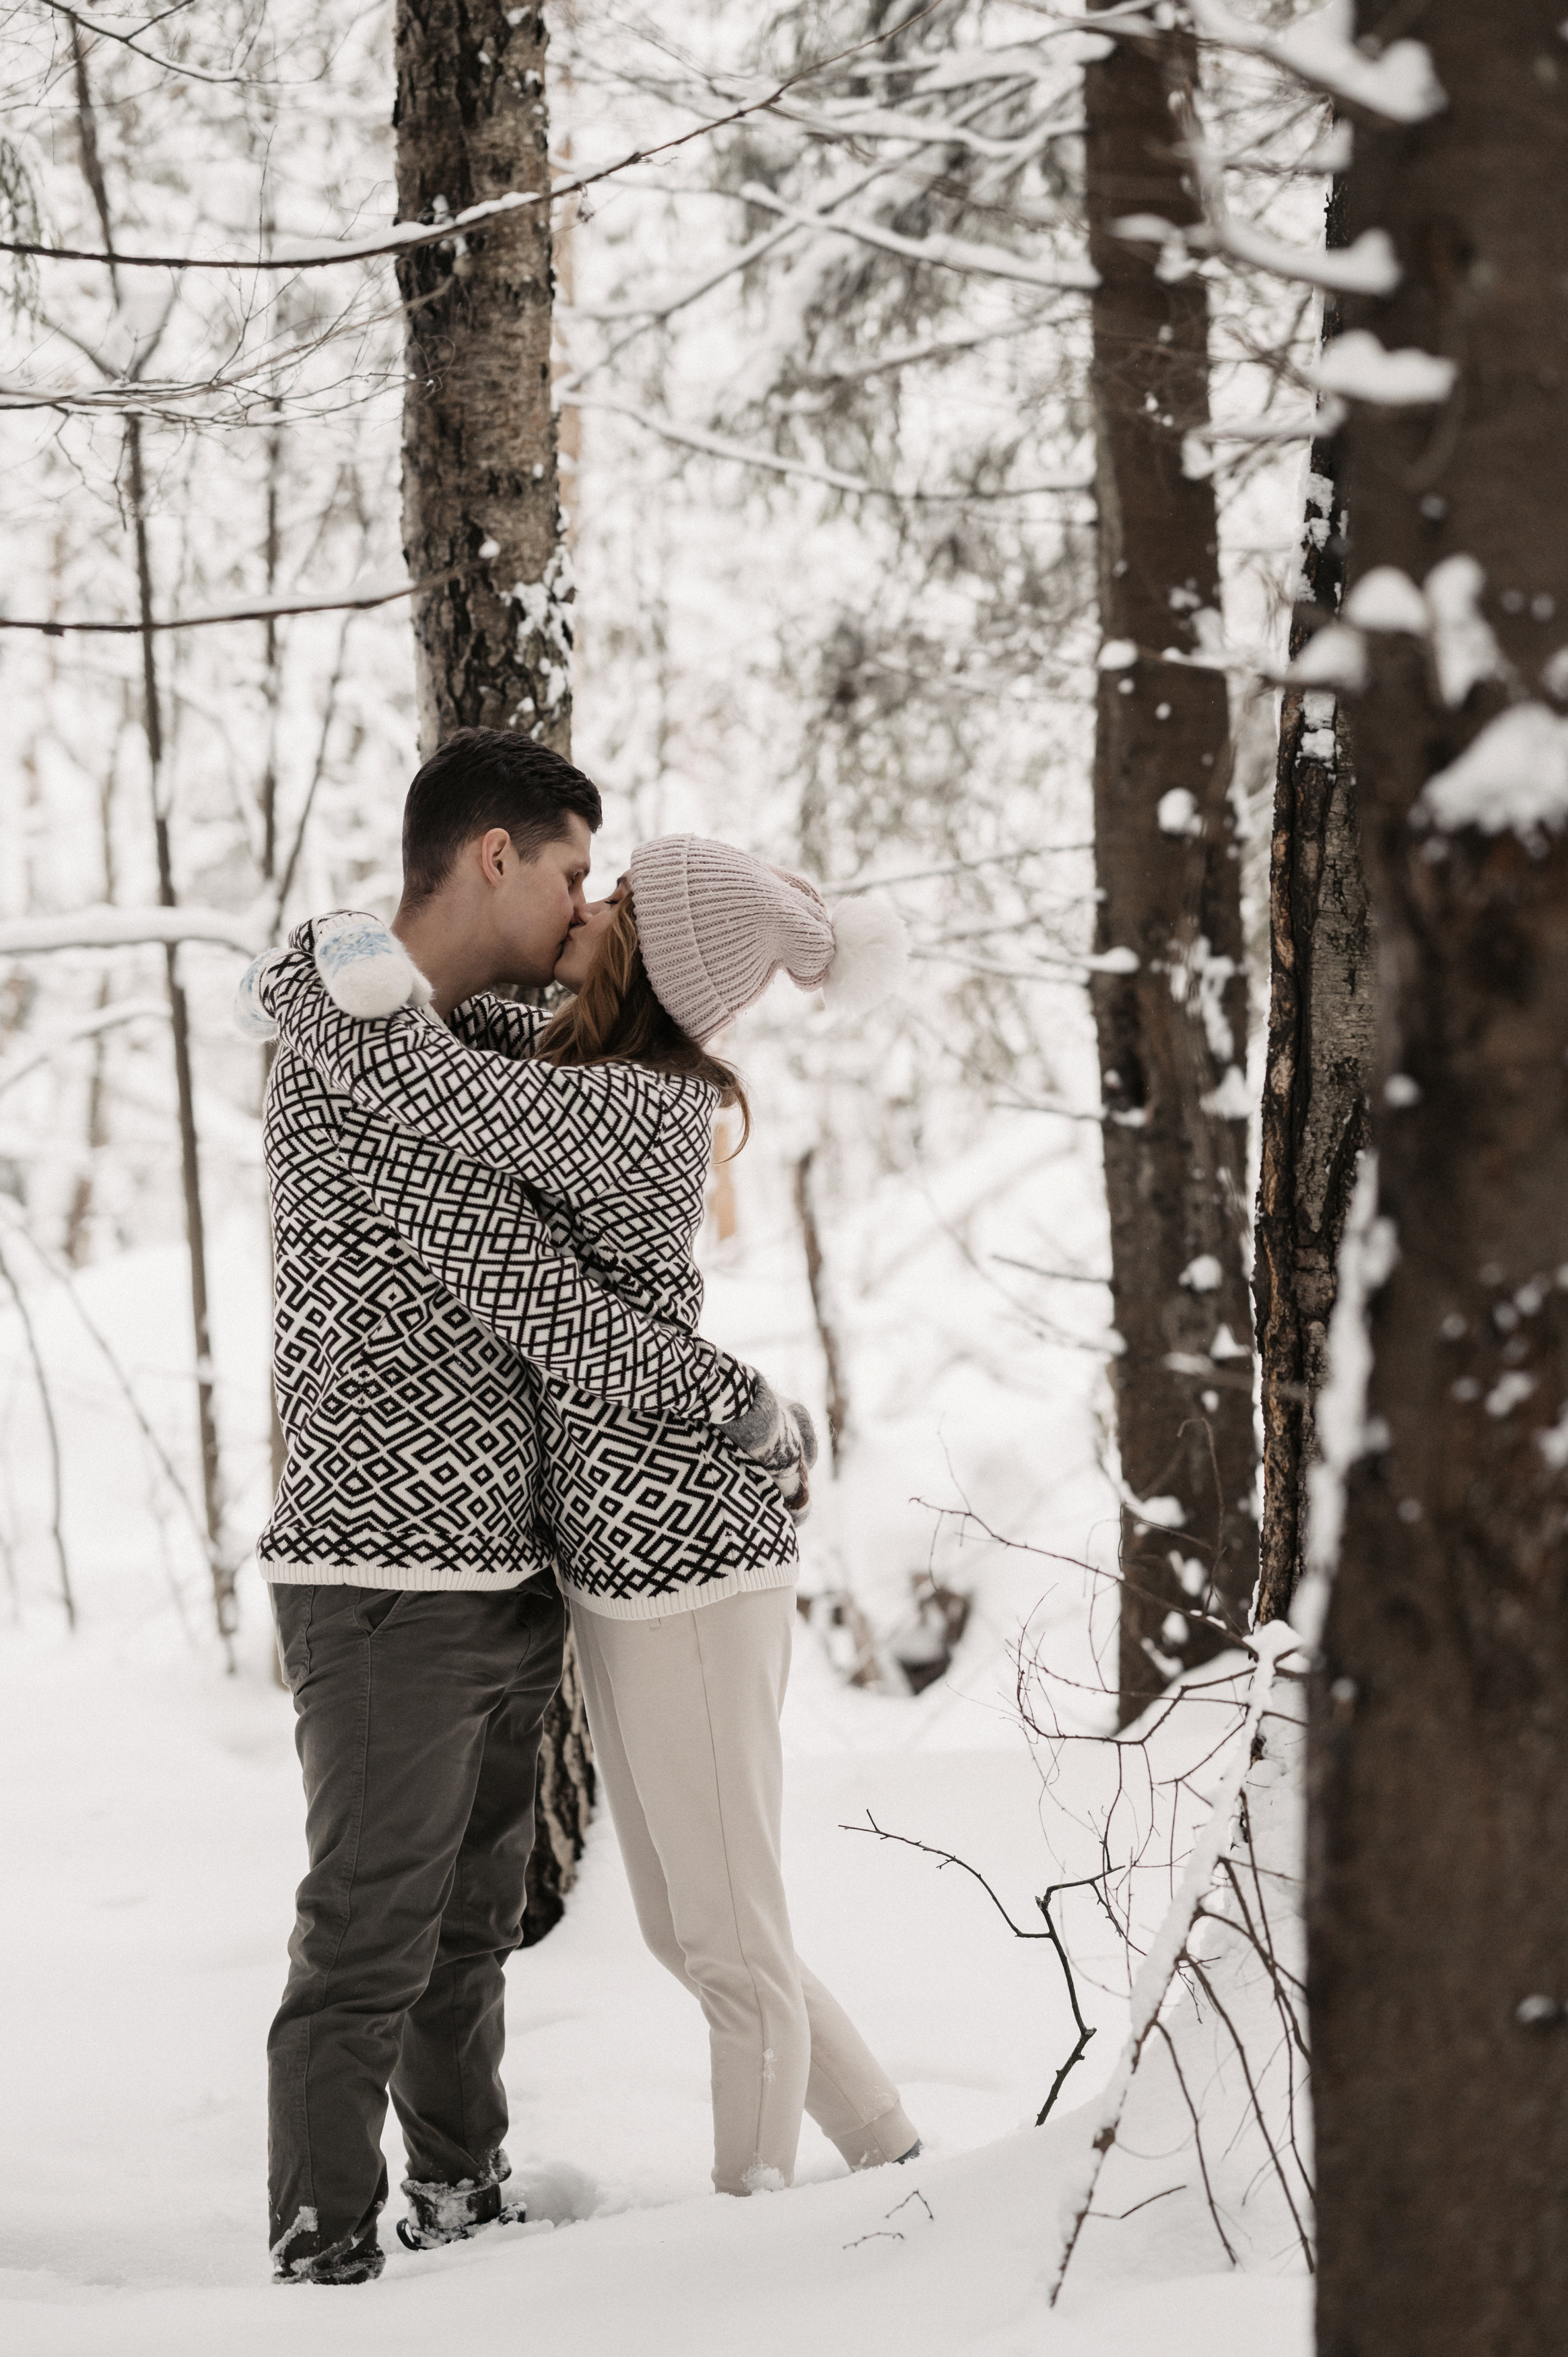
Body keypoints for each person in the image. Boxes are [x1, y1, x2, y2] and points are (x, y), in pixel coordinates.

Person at [248, 831, 918, 2209]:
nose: (591, 899)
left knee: (725, 1938)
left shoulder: (630, 1107)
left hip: (685, 1552)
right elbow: (444, 1051)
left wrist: (306, 980)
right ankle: (893, 2153)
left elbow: (410, 1083)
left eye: (617, 899)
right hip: (621, 1559)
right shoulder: (573, 1073)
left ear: (649, 951)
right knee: (698, 1931)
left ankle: (757, 2226)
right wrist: (328, 947)